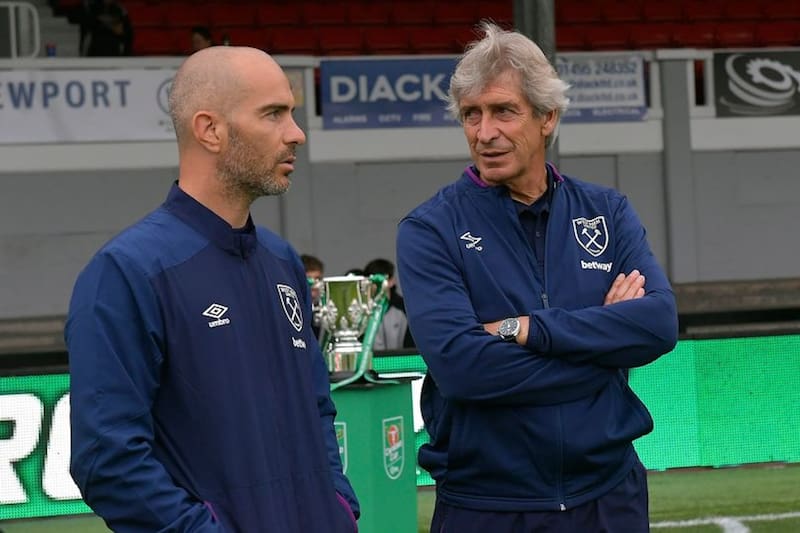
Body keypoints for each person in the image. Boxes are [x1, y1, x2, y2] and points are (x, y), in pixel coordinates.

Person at [396, 22, 678, 533]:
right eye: (471, 114)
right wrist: (603, 351)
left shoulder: (606, 211)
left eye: (504, 111)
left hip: (609, 498)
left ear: (548, 117)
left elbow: (658, 324)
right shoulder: (430, 229)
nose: (485, 133)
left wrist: (527, 328)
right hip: (487, 506)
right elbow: (464, 369)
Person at [65, 46, 359, 532]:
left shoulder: (282, 261)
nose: (296, 133)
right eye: (273, 114)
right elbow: (108, 459)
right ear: (210, 130)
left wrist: (337, 508)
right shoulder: (127, 272)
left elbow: (317, 408)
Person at [363, 258, 413, 351]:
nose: (376, 285)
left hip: (402, 359)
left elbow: (411, 347)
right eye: (373, 281)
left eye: (381, 280)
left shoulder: (404, 308)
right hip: (370, 360)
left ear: (391, 281)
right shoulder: (363, 309)